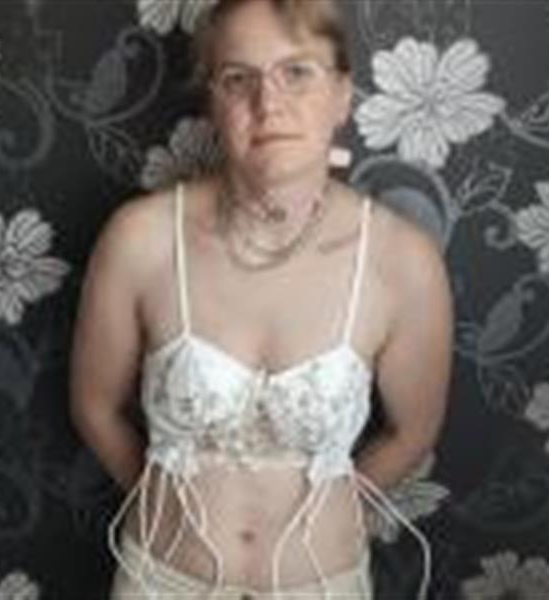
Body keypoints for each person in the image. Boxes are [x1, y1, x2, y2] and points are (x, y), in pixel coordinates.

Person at [70, 0, 454, 598]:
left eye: (297, 72)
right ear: (212, 103)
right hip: (162, 581)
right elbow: (94, 405)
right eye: (237, 78)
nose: (268, 103)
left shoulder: (402, 262)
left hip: (321, 585)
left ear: (343, 94)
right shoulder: (140, 238)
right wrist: (164, 505)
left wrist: (331, 513)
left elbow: (414, 431)